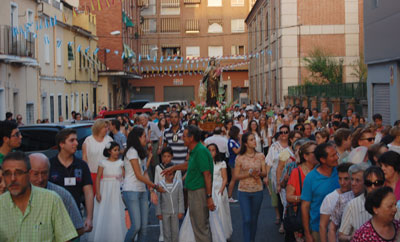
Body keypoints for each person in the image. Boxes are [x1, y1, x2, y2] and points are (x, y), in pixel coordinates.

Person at [0, 151, 78, 241]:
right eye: (8, 173)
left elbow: (66, 238)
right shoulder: (1, 204)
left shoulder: (51, 200)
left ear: (28, 174)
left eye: (19, 173)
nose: (13, 179)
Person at [162, 125, 215, 242]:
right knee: (198, 226)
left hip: (199, 192)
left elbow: (207, 175)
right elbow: (189, 164)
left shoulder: (200, 151)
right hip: (195, 191)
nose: (182, 138)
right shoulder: (195, 150)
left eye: (184, 136)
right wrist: (174, 167)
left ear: (191, 138)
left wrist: (209, 197)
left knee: (201, 227)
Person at [123, 126, 164, 242]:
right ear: (138, 138)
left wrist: (151, 190)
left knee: (144, 228)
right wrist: (155, 186)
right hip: (131, 190)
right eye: (144, 136)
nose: (146, 138)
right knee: (136, 226)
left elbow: (144, 172)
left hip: (142, 191)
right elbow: (138, 175)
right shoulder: (132, 151)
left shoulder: (141, 152)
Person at [49, 128, 94, 233]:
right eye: (72, 140)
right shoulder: (50, 165)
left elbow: (88, 192)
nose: (76, 143)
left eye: (76, 140)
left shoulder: (82, 165)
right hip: (53, 217)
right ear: (61, 144)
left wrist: (89, 217)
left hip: (74, 217)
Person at [29, 153, 85, 237]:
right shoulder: (18, 195)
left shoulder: (62, 195)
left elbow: (79, 228)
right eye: (35, 174)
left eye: (44, 173)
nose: (40, 179)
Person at [301, 143, 340, 242]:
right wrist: (307, 234)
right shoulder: (311, 178)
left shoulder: (340, 173)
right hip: (318, 229)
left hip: (341, 228)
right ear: (322, 160)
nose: (337, 157)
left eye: (336, 154)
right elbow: (305, 206)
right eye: (333, 156)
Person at [89, 142, 126, 242]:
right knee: (104, 210)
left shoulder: (121, 163)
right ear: (109, 151)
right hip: (105, 189)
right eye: (115, 150)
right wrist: (97, 192)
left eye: (118, 150)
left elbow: (124, 176)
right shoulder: (103, 163)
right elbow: (97, 178)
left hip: (117, 188)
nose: (117, 152)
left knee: (116, 210)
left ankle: (117, 236)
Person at [234, 132, 267, 242]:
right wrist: (248, 174)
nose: (254, 141)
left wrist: (259, 173)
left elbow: (264, 173)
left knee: (254, 219)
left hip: (258, 190)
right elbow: (236, 176)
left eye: (254, 139)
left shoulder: (260, 155)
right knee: (247, 219)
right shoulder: (239, 158)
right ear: (246, 143)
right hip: (243, 191)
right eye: (251, 140)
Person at [338, 166, 386, 241]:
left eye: (377, 183)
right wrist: (352, 237)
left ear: (383, 184)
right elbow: (341, 236)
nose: (373, 187)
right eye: (369, 183)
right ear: (365, 184)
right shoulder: (352, 205)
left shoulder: (391, 204)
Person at [285, 141, 318, 241]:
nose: (319, 154)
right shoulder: (296, 172)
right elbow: (289, 197)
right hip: (301, 218)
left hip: (317, 217)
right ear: (306, 156)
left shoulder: (321, 170)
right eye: (315, 152)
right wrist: (304, 198)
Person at [329, 162, 370, 242]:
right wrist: (350, 237)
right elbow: (332, 228)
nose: (353, 183)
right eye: (352, 179)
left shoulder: (374, 199)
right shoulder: (343, 199)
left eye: (357, 180)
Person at [265, 125, 293, 230]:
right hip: (276, 176)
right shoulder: (274, 146)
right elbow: (269, 162)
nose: (283, 134)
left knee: (289, 200)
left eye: (286, 132)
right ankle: (282, 222)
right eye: (281, 132)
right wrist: (266, 176)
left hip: (291, 177)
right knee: (280, 201)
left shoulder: (293, 146)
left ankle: (291, 222)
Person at [154, 147, 182, 242]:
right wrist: (156, 192)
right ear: (161, 157)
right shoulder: (158, 168)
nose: (166, 158)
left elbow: (179, 184)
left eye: (168, 156)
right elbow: (156, 182)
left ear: (172, 156)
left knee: (175, 227)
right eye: (164, 156)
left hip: (174, 198)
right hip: (163, 197)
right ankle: (163, 237)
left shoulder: (176, 168)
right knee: (163, 224)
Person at [319, 162, 352, 242]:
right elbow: (323, 226)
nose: (342, 182)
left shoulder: (358, 197)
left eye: (346, 179)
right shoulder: (330, 198)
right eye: (340, 178)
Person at [208, 143, 233, 240]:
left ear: (216, 151)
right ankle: (212, 234)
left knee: (221, 211)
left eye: (213, 150)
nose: (211, 152)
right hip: (209, 188)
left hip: (219, 189)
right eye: (209, 150)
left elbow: (225, 178)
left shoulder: (221, 163)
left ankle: (222, 233)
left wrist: (221, 190)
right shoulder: (205, 163)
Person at [82, 119, 113, 193]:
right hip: (92, 173)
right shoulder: (88, 140)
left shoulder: (109, 140)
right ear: (98, 128)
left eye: (107, 127)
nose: (107, 129)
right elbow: (84, 157)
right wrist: (86, 173)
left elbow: (113, 156)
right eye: (104, 127)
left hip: (107, 174)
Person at [139, 113, 162, 182]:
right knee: (147, 163)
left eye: (143, 120)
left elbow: (160, 137)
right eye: (140, 120)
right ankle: (150, 181)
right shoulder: (140, 127)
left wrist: (159, 147)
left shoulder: (153, 125)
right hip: (145, 146)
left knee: (155, 163)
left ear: (146, 119)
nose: (142, 121)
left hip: (154, 144)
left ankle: (157, 180)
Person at [227, 125, 241, 203]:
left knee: (235, 178)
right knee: (233, 179)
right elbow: (235, 151)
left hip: (236, 161)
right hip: (233, 161)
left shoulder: (235, 140)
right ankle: (229, 196)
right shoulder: (231, 141)